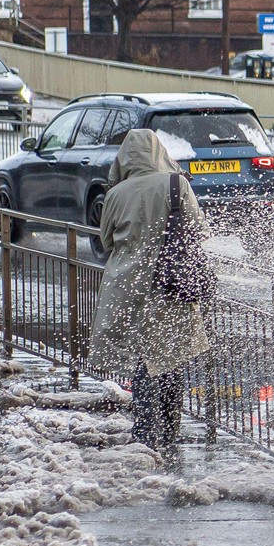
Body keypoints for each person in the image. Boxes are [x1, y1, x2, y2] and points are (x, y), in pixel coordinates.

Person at [88, 129, 211, 455]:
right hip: (170, 284)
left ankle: (145, 434)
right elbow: (199, 230)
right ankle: (169, 430)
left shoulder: (115, 195)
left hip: (128, 288)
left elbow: (107, 242)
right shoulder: (176, 184)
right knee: (171, 359)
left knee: (142, 359)